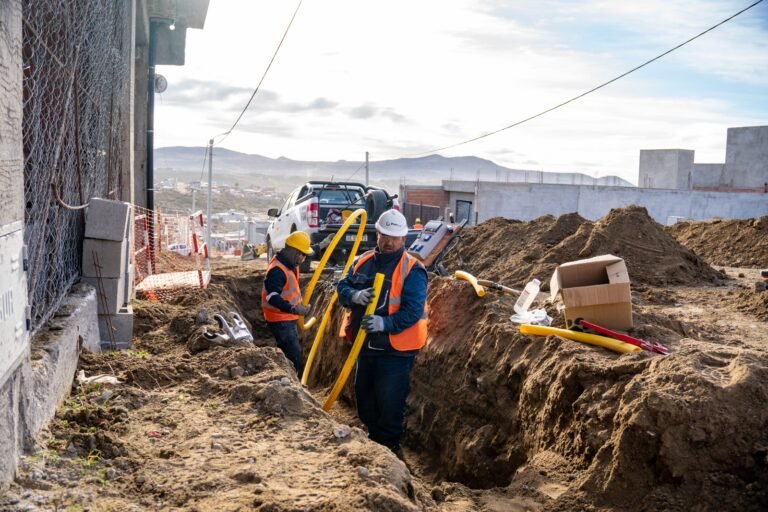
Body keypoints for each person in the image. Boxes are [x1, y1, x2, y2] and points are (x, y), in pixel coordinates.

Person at [336, 209, 428, 458]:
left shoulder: (412, 270)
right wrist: (353, 295)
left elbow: (412, 311)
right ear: (377, 233)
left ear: (404, 238)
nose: (389, 242)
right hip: (364, 346)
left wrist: (384, 324)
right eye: (385, 236)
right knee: (364, 400)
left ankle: (390, 451)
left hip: (394, 350)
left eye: (395, 238)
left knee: (389, 404)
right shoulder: (363, 261)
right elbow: (342, 286)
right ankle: (375, 442)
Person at [261, 231, 316, 375]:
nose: (304, 258)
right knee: (293, 355)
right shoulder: (277, 270)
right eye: (302, 254)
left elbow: (307, 250)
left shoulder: (289, 262)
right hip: (280, 320)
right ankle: (293, 380)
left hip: (287, 318)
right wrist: (294, 309)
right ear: (294, 252)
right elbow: (272, 297)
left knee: (291, 351)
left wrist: (323, 245)